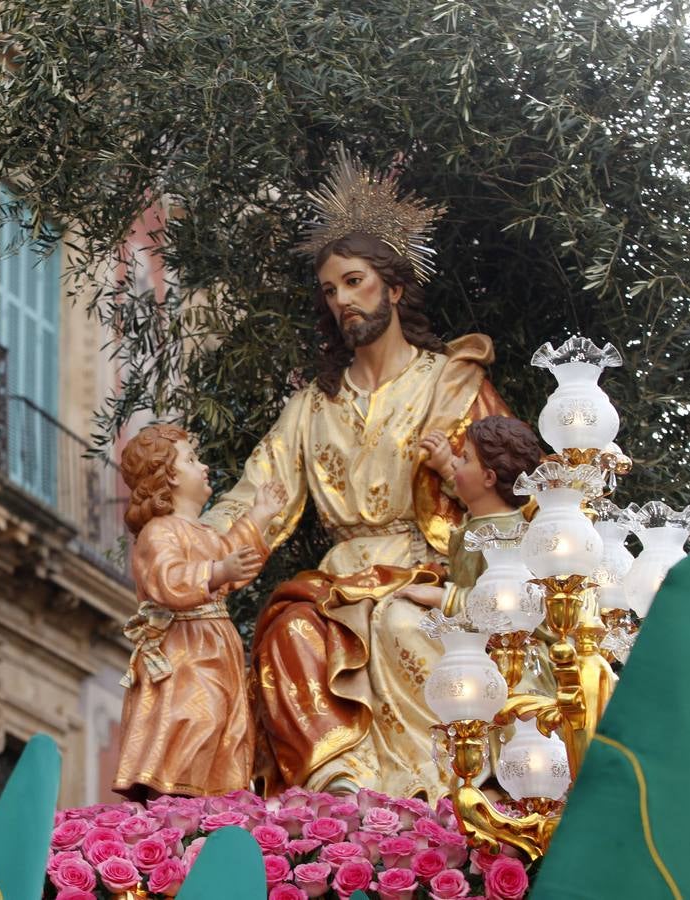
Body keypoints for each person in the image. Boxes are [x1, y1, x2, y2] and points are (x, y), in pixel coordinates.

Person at [201, 148, 511, 800]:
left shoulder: (452, 386)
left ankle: (441, 797)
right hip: (340, 583)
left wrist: (469, 563)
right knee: (288, 631)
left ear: (395, 288)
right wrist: (196, 553)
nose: (342, 298)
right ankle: (337, 797)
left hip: (428, 572)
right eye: (330, 289)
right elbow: (262, 495)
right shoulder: (314, 406)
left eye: (355, 281)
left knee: (404, 624)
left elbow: (509, 492)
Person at [112, 423, 287, 799]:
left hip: (217, 646)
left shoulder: (204, 534)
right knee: (196, 718)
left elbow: (229, 557)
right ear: (169, 475)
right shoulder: (158, 533)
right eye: (192, 459)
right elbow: (166, 579)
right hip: (185, 652)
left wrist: (259, 516)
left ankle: (215, 801)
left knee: (230, 725)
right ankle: (175, 797)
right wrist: (215, 573)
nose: (204, 466)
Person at [396, 415, 544, 616]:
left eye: (464, 458)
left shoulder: (506, 537)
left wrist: (443, 598)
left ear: (489, 477)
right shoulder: (484, 524)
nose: (454, 463)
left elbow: (510, 605)